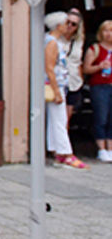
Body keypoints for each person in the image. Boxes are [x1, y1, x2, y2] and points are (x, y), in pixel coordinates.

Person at [44, 10, 87, 169]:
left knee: (56, 119)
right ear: (58, 25)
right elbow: (49, 68)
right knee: (60, 119)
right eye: (65, 23)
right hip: (56, 85)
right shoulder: (52, 42)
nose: (67, 26)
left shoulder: (52, 41)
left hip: (60, 84)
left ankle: (57, 150)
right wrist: (56, 91)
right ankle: (65, 153)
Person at [81, 19, 112, 162]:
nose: (109, 34)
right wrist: (99, 66)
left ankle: (110, 148)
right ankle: (101, 148)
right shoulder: (95, 49)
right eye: (106, 30)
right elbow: (86, 69)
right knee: (101, 117)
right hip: (99, 86)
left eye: (111, 31)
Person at [64, 8, 85, 125]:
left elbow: (78, 62)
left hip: (73, 82)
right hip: (57, 81)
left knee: (66, 118)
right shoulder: (54, 38)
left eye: (74, 24)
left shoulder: (78, 41)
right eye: (68, 22)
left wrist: (81, 80)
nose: (70, 26)